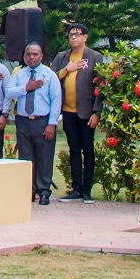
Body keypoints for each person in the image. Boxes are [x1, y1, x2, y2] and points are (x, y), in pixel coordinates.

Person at [51, 23, 103, 203]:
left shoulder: (95, 57)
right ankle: (76, 189)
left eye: (77, 34)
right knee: (74, 150)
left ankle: (87, 190)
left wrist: (97, 112)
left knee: (88, 150)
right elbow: (51, 78)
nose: (73, 37)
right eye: (71, 34)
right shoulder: (62, 57)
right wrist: (67, 70)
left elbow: (101, 87)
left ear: (85, 37)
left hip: (87, 112)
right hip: (68, 111)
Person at [5, 42, 62, 205]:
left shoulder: (50, 75)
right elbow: (8, 92)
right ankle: (28, 190)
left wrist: (52, 124)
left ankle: (44, 190)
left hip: (42, 121)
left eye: (35, 54)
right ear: (24, 56)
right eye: (28, 54)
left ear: (41, 56)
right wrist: (26, 88)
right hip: (23, 121)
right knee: (26, 157)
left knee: (44, 157)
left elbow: (56, 101)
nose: (31, 57)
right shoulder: (19, 75)